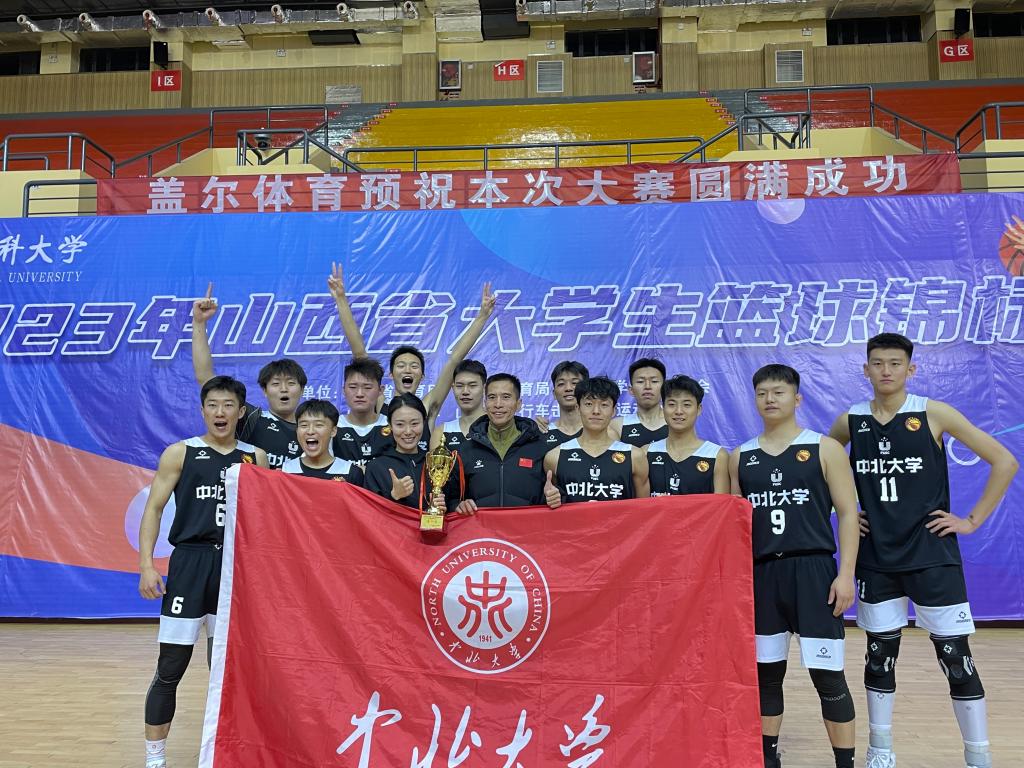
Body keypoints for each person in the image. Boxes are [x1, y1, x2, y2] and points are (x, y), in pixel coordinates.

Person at [828, 333, 1018, 768]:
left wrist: (971, 521)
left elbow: (1005, 461)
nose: (886, 370)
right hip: (876, 558)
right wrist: (842, 510)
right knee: (880, 656)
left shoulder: (933, 413)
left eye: (895, 363)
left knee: (956, 658)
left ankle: (978, 756)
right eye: (878, 363)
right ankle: (880, 751)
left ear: (911, 369)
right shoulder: (850, 420)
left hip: (932, 556)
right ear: (865, 369)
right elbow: (819, 466)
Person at [729, 364, 859, 768]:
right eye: (762, 393)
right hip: (763, 575)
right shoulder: (741, 456)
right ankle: (768, 759)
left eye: (779, 392)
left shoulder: (824, 448)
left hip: (814, 572)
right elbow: (734, 526)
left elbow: (848, 514)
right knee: (766, 676)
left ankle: (845, 762)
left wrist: (846, 574)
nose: (770, 399)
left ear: (797, 398)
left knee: (828, 676)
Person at [137, 376, 268, 768]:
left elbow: (266, 521)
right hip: (190, 564)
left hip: (235, 568)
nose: (220, 412)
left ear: (241, 412)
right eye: (212, 404)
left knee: (227, 670)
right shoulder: (180, 453)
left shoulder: (256, 457)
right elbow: (154, 508)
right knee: (170, 667)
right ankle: (155, 758)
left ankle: (225, 752)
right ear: (202, 410)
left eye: (228, 405)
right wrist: (146, 564)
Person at [328, 262, 497, 441]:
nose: (407, 369)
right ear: (391, 374)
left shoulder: (427, 407)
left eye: (414, 366)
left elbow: (454, 360)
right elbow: (360, 354)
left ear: (422, 376)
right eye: (401, 365)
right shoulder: (378, 404)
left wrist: (482, 317)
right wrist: (341, 300)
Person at [191, 282, 304, 469]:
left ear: (302, 389)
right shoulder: (252, 419)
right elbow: (206, 379)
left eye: (291, 383)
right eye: (276, 383)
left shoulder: (313, 429)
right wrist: (199, 323)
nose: (283, 389)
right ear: (264, 390)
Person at [454, 373, 554, 513]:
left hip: (527, 526)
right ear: (485, 403)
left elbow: (556, 493)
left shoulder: (539, 446)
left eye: (506, 397)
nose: (498, 404)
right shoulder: (466, 450)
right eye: (492, 397)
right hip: (482, 527)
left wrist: (554, 496)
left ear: (518, 404)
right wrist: (458, 505)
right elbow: (450, 498)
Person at [544, 376, 650, 505]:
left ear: (614, 411)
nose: (596, 411)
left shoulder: (634, 456)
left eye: (604, 405)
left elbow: (644, 509)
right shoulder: (555, 457)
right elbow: (552, 503)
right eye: (589, 404)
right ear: (578, 408)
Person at [363, 393, 461, 510]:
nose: (408, 431)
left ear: (424, 422)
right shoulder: (376, 467)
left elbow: (453, 502)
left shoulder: (437, 464)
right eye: (400, 424)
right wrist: (394, 496)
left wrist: (452, 507)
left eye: (414, 423)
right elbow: (369, 514)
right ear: (390, 425)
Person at [647, 375, 728, 495]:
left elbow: (722, 504)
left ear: (699, 409)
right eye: (672, 404)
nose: (679, 411)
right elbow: (639, 503)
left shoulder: (717, 456)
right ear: (663, 408)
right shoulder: (646, 453)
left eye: (687, 405)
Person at [282, 399, 364, 484]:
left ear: (333, 431)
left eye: (318, 425)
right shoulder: (285, 470)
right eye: (304, 425)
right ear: (297, 430)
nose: (310, 431)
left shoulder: (350, 472)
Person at [332, 357, 390, 464]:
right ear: (343, 390)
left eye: (367, 388)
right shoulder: (333, 427)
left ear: (380, 390)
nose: (359, 394)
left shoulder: (392, 426)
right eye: (353, 387)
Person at [431, 359, 487, 452]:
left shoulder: (497, 428)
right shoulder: (442, 432)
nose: (465, 392)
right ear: (453, 388)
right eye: (460, 386)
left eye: (472, 385)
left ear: (484, 388)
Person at [612, 358, 668, 448]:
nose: (647, 386)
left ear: (664, 388)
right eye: (640, 381)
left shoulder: (676, 422)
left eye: (654, 381)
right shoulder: (618, 425)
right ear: (631, 390)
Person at [540, 360, 589, 448]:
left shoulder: (598, 431)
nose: (568, 388)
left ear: (586, 391)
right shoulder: (543, 431)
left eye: (575, 383)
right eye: (561, 384)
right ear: (554, 394)